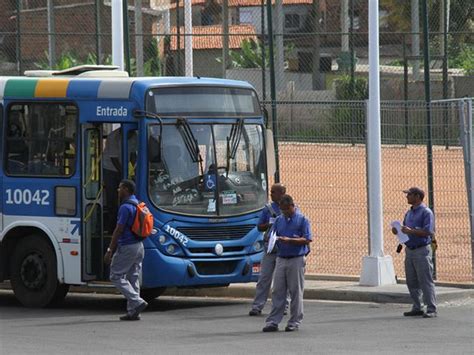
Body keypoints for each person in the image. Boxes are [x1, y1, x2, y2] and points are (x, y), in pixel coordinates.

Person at [262, 194, 312, 332]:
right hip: (281, 258)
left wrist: (289, 240)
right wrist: (273, 240)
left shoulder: (303, 220)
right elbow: (271, 234)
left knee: (296, 291)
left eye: (286, 209)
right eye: (282, 210)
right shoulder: (279, 220)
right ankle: (273, 321)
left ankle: (294, 321)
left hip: (296, 259)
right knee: (278, 290)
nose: (284, 212)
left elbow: (307, 239)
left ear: (292, 206)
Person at [104, 179, 148, 321]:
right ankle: (133, 312)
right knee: (133, 277)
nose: (118, 190)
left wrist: (110, 249)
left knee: (115, 276)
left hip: (127, 246)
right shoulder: (138, 204)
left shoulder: (125, 207)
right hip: (139, 246)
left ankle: (137, 301)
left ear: (126, 190)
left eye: (120, 188)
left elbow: (119, 229)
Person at [392, 187, 437, 318]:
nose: (407, 197)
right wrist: (398, 230)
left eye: (409, 195)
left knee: (425, 280)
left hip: (421, 250)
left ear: (417, 196)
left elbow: (428, 231)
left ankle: (431, 308)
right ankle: (417, 306)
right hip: (410, 250)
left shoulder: (426, 212)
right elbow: (405, 229)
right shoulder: (409, 213)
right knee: (411, 280)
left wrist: (411, 231)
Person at [249, 183, 289, 316]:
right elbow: (259, 227)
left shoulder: (290, 208)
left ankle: (283, 306)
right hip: (270, 249)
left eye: (274, 192)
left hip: (284, 250)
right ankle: (257, 306)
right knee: (264, 278)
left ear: (282, 193)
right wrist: (269, 224)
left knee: (283, 281)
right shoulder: (267, 209)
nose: (271, 194)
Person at [103, 128, 122, 233]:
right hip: (110, 168)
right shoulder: (113, 137)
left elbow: (133, 154)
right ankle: (111, 227)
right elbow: (113, 158)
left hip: (121, 168)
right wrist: (124, 173)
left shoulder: (134, 135)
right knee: (112, 198)